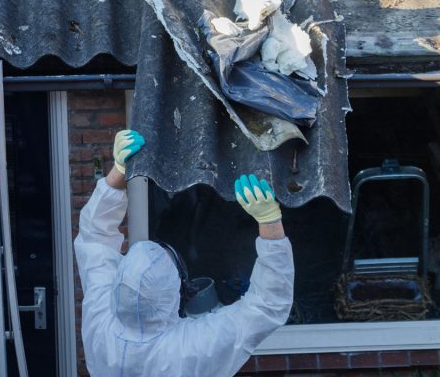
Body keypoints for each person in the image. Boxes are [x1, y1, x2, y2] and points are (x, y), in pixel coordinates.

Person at [74, 130, 294, 376]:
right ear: (174, 291)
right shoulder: (189, 349)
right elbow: (268, 306)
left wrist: (118, 171)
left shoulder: (101, 321)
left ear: (119, 282)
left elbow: (94, 237)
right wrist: (270, 222)